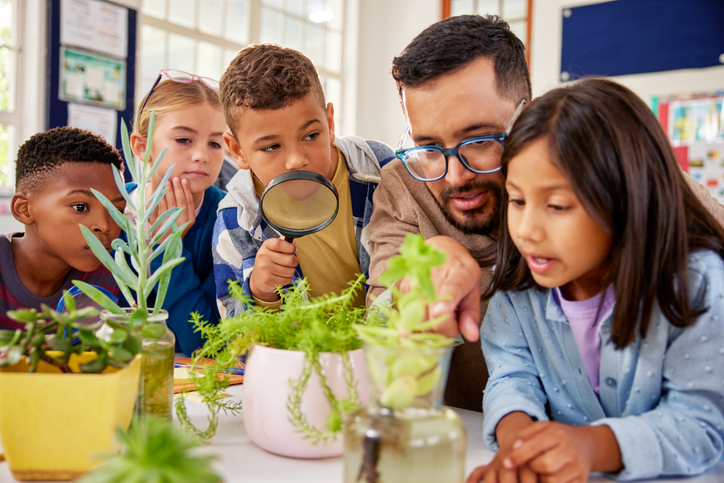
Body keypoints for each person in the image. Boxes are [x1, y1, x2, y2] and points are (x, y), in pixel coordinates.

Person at [367, 14, 724, 412]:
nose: (455, 176)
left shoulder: (610, 165)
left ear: (527, 115)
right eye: (429, 146)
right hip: (487, 441)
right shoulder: (401, 184)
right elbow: (379, 318)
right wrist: (422, 282)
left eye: (480, 140)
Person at [469, 78, 724, 482]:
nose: (528, 230)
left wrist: (591, 446)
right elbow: (512, 377)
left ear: (626, 199)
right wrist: (521, 449)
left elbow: (701, 424)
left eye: (556, 205)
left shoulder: (697, 286)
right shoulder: (518, 290)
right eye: (517, 200)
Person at [212, 44, 394, 317]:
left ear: (330, 124)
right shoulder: (235, 219)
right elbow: (238, 342)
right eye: (271, 147)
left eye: (311, 135)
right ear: (237, 151)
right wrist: (260, 293)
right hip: (301, 359)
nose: (296, 160)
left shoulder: (379, 170)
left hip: (384, 354)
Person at [129, 69, 227, 355]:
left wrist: (170, 248)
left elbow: (203, 342)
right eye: (184, 140)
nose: (201, 155)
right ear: (142, 146)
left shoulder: (228, 219)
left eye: (214, 143)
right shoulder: (111, 213)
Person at [1, 127, 125, 330]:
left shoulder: (104, 277)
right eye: (80, 207)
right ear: (24, 209)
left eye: (116, 210)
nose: (104, 226)